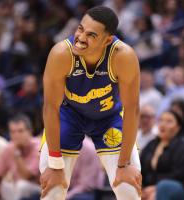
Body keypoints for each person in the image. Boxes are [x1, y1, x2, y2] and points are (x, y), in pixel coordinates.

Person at [39, 6, 142, 200]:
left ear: (107, 40)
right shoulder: (61, 53)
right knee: (52, 190)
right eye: (80, 29)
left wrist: (125, 163)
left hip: (109, 118)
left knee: (128, 189)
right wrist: (54, 164)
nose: (81, 38)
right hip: (68, 116)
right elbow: (50, 108)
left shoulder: (123, 56)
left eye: (91, 35)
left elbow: (132, 109)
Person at [0, 114, 41, 200]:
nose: (16, 136)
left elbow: (26, 177)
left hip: (38, 191)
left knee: (22, 185)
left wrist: (17, 152)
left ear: (30, 132)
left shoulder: (38, 147)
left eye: (20, 131)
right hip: (16, 190)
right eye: (12, 132)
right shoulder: (9, 147)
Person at [140, 110, 184, 200]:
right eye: (161, 120)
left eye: (169, 121)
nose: (163, 124)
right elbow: (140, 168)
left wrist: (156, 187)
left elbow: (180, 174)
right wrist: (141, 188)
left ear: (178, 127)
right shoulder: (151, 144)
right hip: (148, 187)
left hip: (176, 187)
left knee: (156, 194)